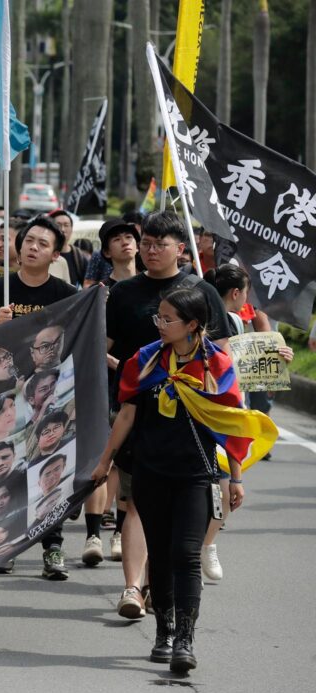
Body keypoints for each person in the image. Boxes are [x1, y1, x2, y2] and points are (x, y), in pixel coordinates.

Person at [91, 286, 270, 674]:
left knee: (186, 556)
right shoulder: (145, 359)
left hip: (196, 474)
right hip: (150, 471)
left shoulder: (216, 365)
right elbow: (126, 415)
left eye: (167, 319)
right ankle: (164, 631)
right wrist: (105, 462)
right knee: (159, 552)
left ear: (192, 325)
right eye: (158, 316)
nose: (160, 324)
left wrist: (235, 477)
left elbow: (233, 423)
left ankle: (185, 639)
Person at [104, 211, 232, 616]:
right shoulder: (124, 293)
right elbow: (101, 344)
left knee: (179, 510)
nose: (150, 251)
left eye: (160, 245)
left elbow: (224, 351)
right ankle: (132, 589)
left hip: (192, 420)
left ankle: (163, 585)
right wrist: (125, 370)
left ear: (181, 248)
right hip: (135, 409)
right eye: (146, 244)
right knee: (136, 501)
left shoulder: (200, 291)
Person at [200, 264, 292, 581]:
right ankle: (191, 547)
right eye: (246, 292)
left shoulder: (238, 321)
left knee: (228, 488)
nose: (247, 298)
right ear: (236, 292)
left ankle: (207, 544)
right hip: (201, 409)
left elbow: (246, 367)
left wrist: (276, 357)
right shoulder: (199, 315)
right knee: (204, 486)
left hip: (233, 412)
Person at [0, 216, 77, 331]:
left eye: (43, 244)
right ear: (20, 248)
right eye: (29, 240)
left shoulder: (67, 295)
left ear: (55, 255)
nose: (33, 247)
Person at [96, 218, 140, 288]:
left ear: (137, 247)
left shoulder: (151, 283)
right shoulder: (102, 290)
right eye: (117, 239)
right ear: (107, 252)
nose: (125, 242)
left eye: (128, 237)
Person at [48, 210, 87, 286]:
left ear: (72, 229)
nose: (62, 229)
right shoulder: (44, 254)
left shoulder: (79, 257)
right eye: (58, 225)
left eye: (66, 225)